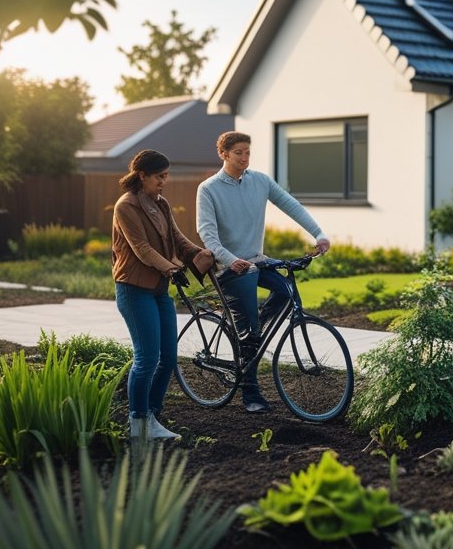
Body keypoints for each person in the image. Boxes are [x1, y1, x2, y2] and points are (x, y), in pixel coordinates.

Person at [197, 131, 331, 412]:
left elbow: (290, 204)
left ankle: (252, 329)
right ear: (224, 154)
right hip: (230, 268)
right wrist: (230, 259)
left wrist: (318, 233)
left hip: (257, 262)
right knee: (252, 332)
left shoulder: (259, 181)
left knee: (286, 292)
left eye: (248, 152)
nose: (245, 158)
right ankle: (251, 394)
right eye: (238, 153)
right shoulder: (208, 189)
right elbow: (207, 234)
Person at [112, 149, 213, 441]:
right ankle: (138, 422)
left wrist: (198, 253)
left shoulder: (161, 202)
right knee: (146, 358)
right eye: (160, 176)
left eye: (167, 176)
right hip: (133, 290)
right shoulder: (126, 206)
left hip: (157, 290)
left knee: (167, 357)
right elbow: (141, 248)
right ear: (142, 175)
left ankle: (152, 417)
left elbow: (176, 237)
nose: (164, 181)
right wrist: (171, 269)